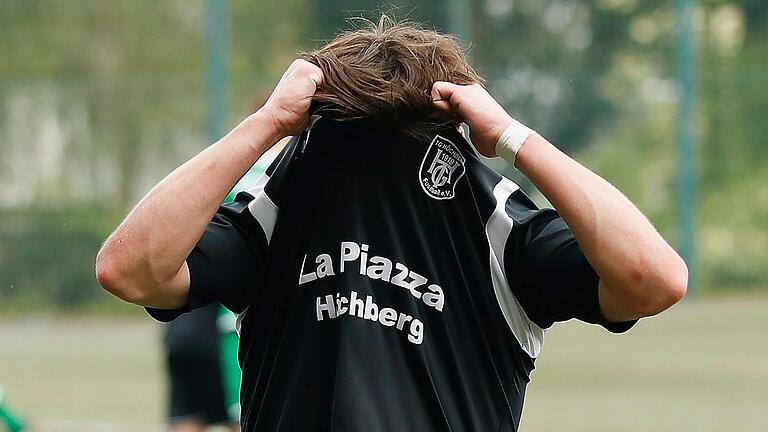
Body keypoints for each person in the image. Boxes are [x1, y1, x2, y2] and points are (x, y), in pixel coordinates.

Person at [96, 17, 687, 431]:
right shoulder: (278, 213)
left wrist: (512, 136)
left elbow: (654, 278)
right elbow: (129, 268)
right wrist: (267, 124)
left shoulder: (499, 229)